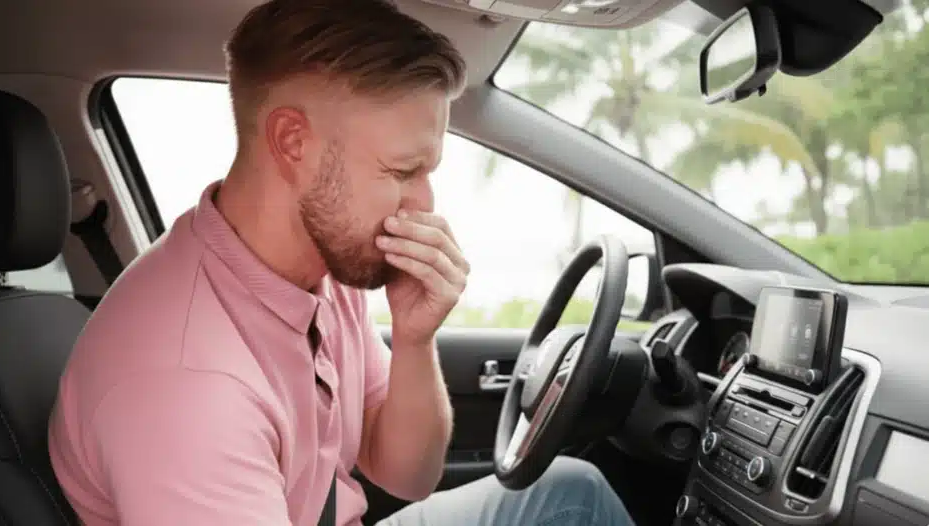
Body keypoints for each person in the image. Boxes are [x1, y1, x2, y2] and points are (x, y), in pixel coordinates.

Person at [47, 0, 637, 524]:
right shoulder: (185, 392)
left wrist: (414, 339)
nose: (424, 204)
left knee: (570, 490)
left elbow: (405, 474)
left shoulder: (327, 266)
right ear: (292, 142)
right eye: (402, 171)